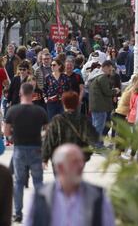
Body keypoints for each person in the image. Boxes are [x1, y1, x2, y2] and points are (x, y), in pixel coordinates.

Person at [25, 144, 116, 226]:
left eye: (81, 161)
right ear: (60, 167)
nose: (81, 166)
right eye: (75, 162)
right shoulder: (40, 196)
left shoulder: (98, 196)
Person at [4, 83, 48, 222]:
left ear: (21, 93)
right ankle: (40, 212)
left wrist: (12, 136)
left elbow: (6, 131)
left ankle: (18, 213)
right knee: (38, 181)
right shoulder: (40, 111)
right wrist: (39, 135)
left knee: (18, 182)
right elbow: (47, 130)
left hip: (19, 149)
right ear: (33, 94)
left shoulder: (12, 110)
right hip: (36, 148)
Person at [43, 91, 99, 166]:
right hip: (78, 157)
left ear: (63, 104)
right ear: (77, 103)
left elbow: (49, 140)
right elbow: (94, 137)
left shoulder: (57, 120)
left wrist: (45, 158)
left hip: (60, 157)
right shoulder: (83, 119)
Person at [89, 60, 120, 148]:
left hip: (95, 105)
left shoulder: (95, 75)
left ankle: (95, 144)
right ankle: (97, 145)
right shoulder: (102, 77)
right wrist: (115, 91)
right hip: (100, 106)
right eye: (109, 70)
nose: (110, 72)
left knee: (96, 125)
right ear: (105, 67)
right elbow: (107, 92)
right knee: (99, 126)